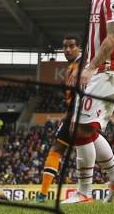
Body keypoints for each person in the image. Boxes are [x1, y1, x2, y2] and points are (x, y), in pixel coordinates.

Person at [40, 0, 114, 205]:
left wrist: (90, 68)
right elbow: (96, 40)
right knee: (81, 129)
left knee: (81, 129)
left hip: (108, 70)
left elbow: (113, 37)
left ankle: (85, 193)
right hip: (96, 70)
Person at [34, 33, 85, 201]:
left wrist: (73, 114)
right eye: (65, 46)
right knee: (95, 150)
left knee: (56, 149)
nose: (68, 50)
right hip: (77, 112)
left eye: (72, 46)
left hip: (79, 113)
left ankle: (42, 195)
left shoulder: (82, 65)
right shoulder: (72, 67)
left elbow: (83, 92)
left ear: (79, 47)